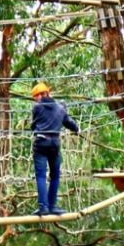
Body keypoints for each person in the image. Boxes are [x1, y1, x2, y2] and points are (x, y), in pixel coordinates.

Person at [30, 82, 80, 216]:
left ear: (43, 94)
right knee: (55, 176)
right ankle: (52, 206)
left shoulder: (37, 108)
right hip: (54, 144)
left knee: (41, 175)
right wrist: (77, 129)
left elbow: (33, 126)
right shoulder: (60, 107)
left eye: (37, 96)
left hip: (40, 143)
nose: (36, 99)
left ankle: (43, 207)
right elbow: (69, 122)